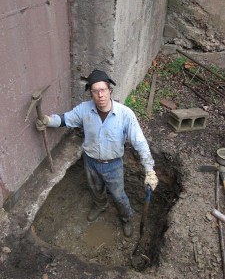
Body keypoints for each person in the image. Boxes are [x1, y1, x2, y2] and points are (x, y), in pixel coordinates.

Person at [36, 69, 158, 237]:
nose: (100, 95)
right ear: (91, 93)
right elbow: (65, 119)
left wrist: (149, 169)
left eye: (103, 90)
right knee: (95, 189)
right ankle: (101, 205)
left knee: (119, 195)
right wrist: (48, 120)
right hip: (90, 161)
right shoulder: (84, 110)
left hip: (113, 164)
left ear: (110, 91)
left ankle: (126, 218)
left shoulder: (125, 114)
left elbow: (140, 142)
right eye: (95, 91)